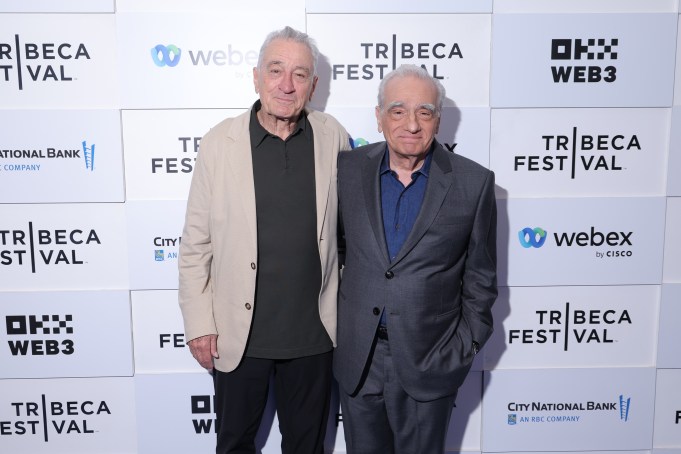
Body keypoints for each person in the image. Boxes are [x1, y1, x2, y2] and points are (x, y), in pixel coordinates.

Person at [178, 26, 350, 454]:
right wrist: (200, 324)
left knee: (307, 447)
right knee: (234, 444)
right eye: (276, 70)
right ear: (256, 77)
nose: (286, 85)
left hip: (314, 335)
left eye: (299, 74)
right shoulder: (221, 142)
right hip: (240, 335)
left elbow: (348, 234)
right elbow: (195, 243)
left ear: (314, 85)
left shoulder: (334, 137)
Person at [334, 64, 497, 453]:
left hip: (430, 361)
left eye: (424, 112)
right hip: (360, 361)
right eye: (397, 110)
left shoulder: (474, 183)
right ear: (378, 117)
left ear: (438, 120)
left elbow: (481, 278)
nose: (411, 124)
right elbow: (336, 251)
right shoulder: (347, 170)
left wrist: (465, 347)